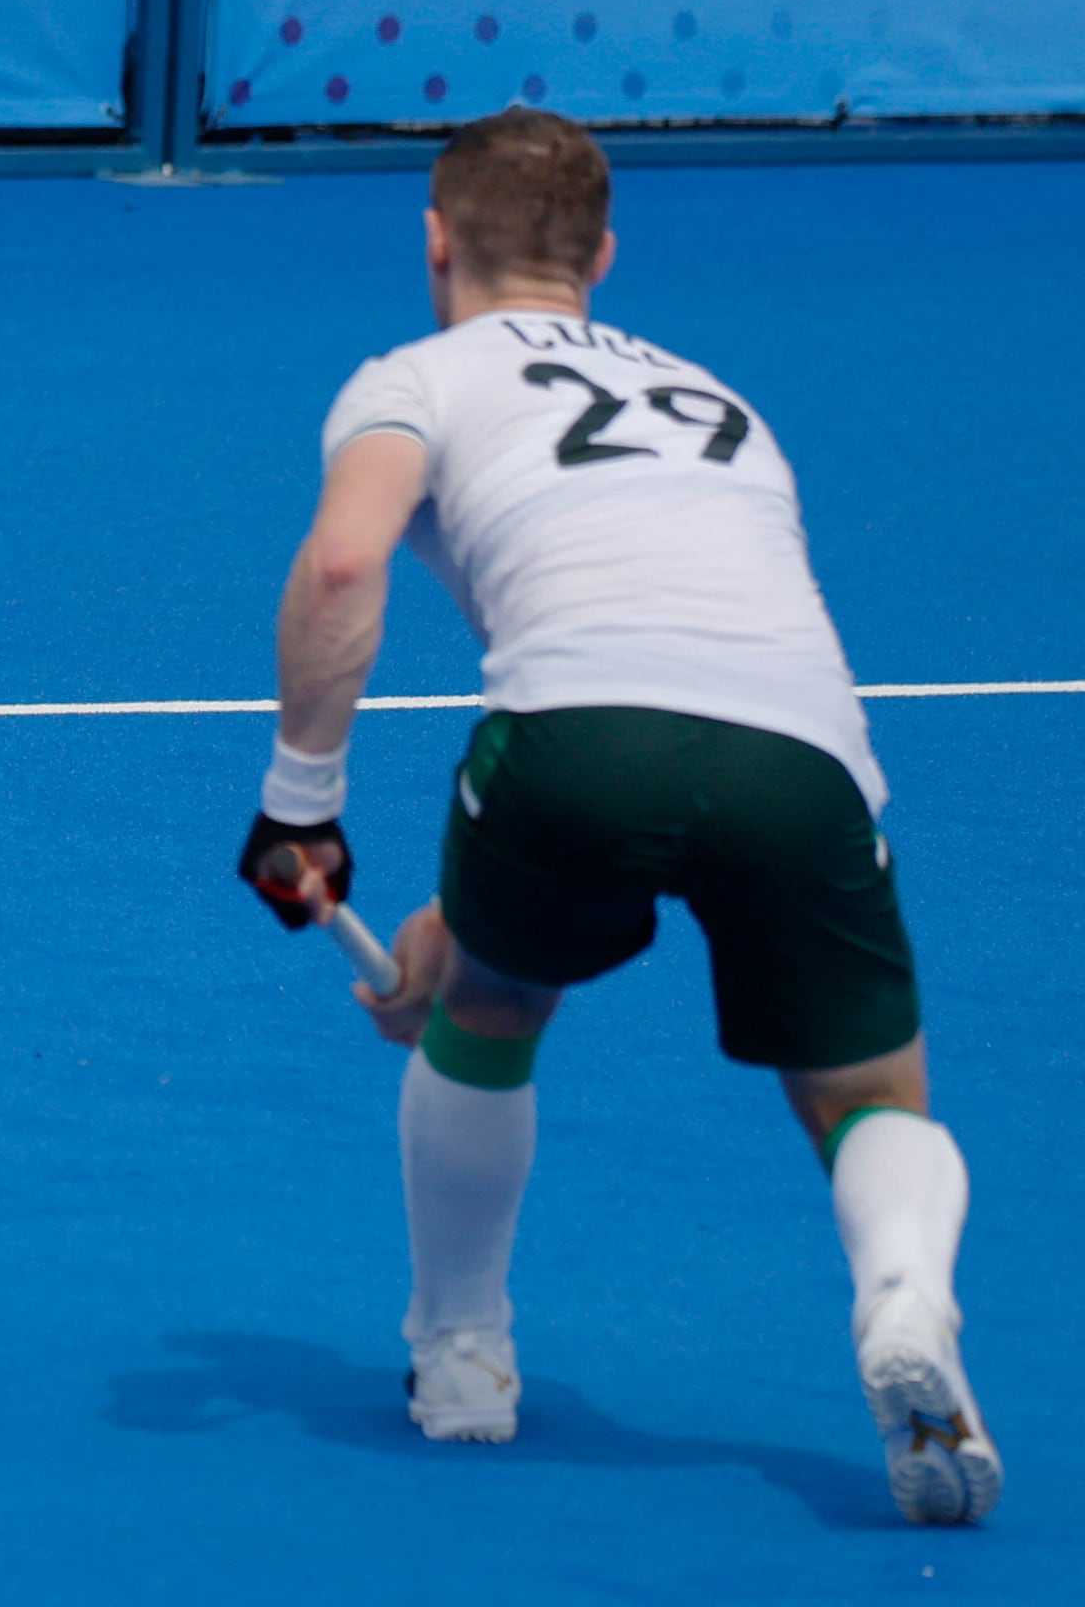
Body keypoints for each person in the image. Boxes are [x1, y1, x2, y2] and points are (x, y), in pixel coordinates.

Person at [235, 105, 995, 1525]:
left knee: (496, 1011)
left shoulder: (416, 375)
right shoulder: (724, 404)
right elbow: (688, 692)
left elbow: (347, 564)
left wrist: (305, 806)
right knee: (870, 1099)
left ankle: (462, 1360)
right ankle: (902, 1289)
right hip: (803, 763)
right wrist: (457, 917)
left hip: (568, 747)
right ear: (603, 257)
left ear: (436, 239)